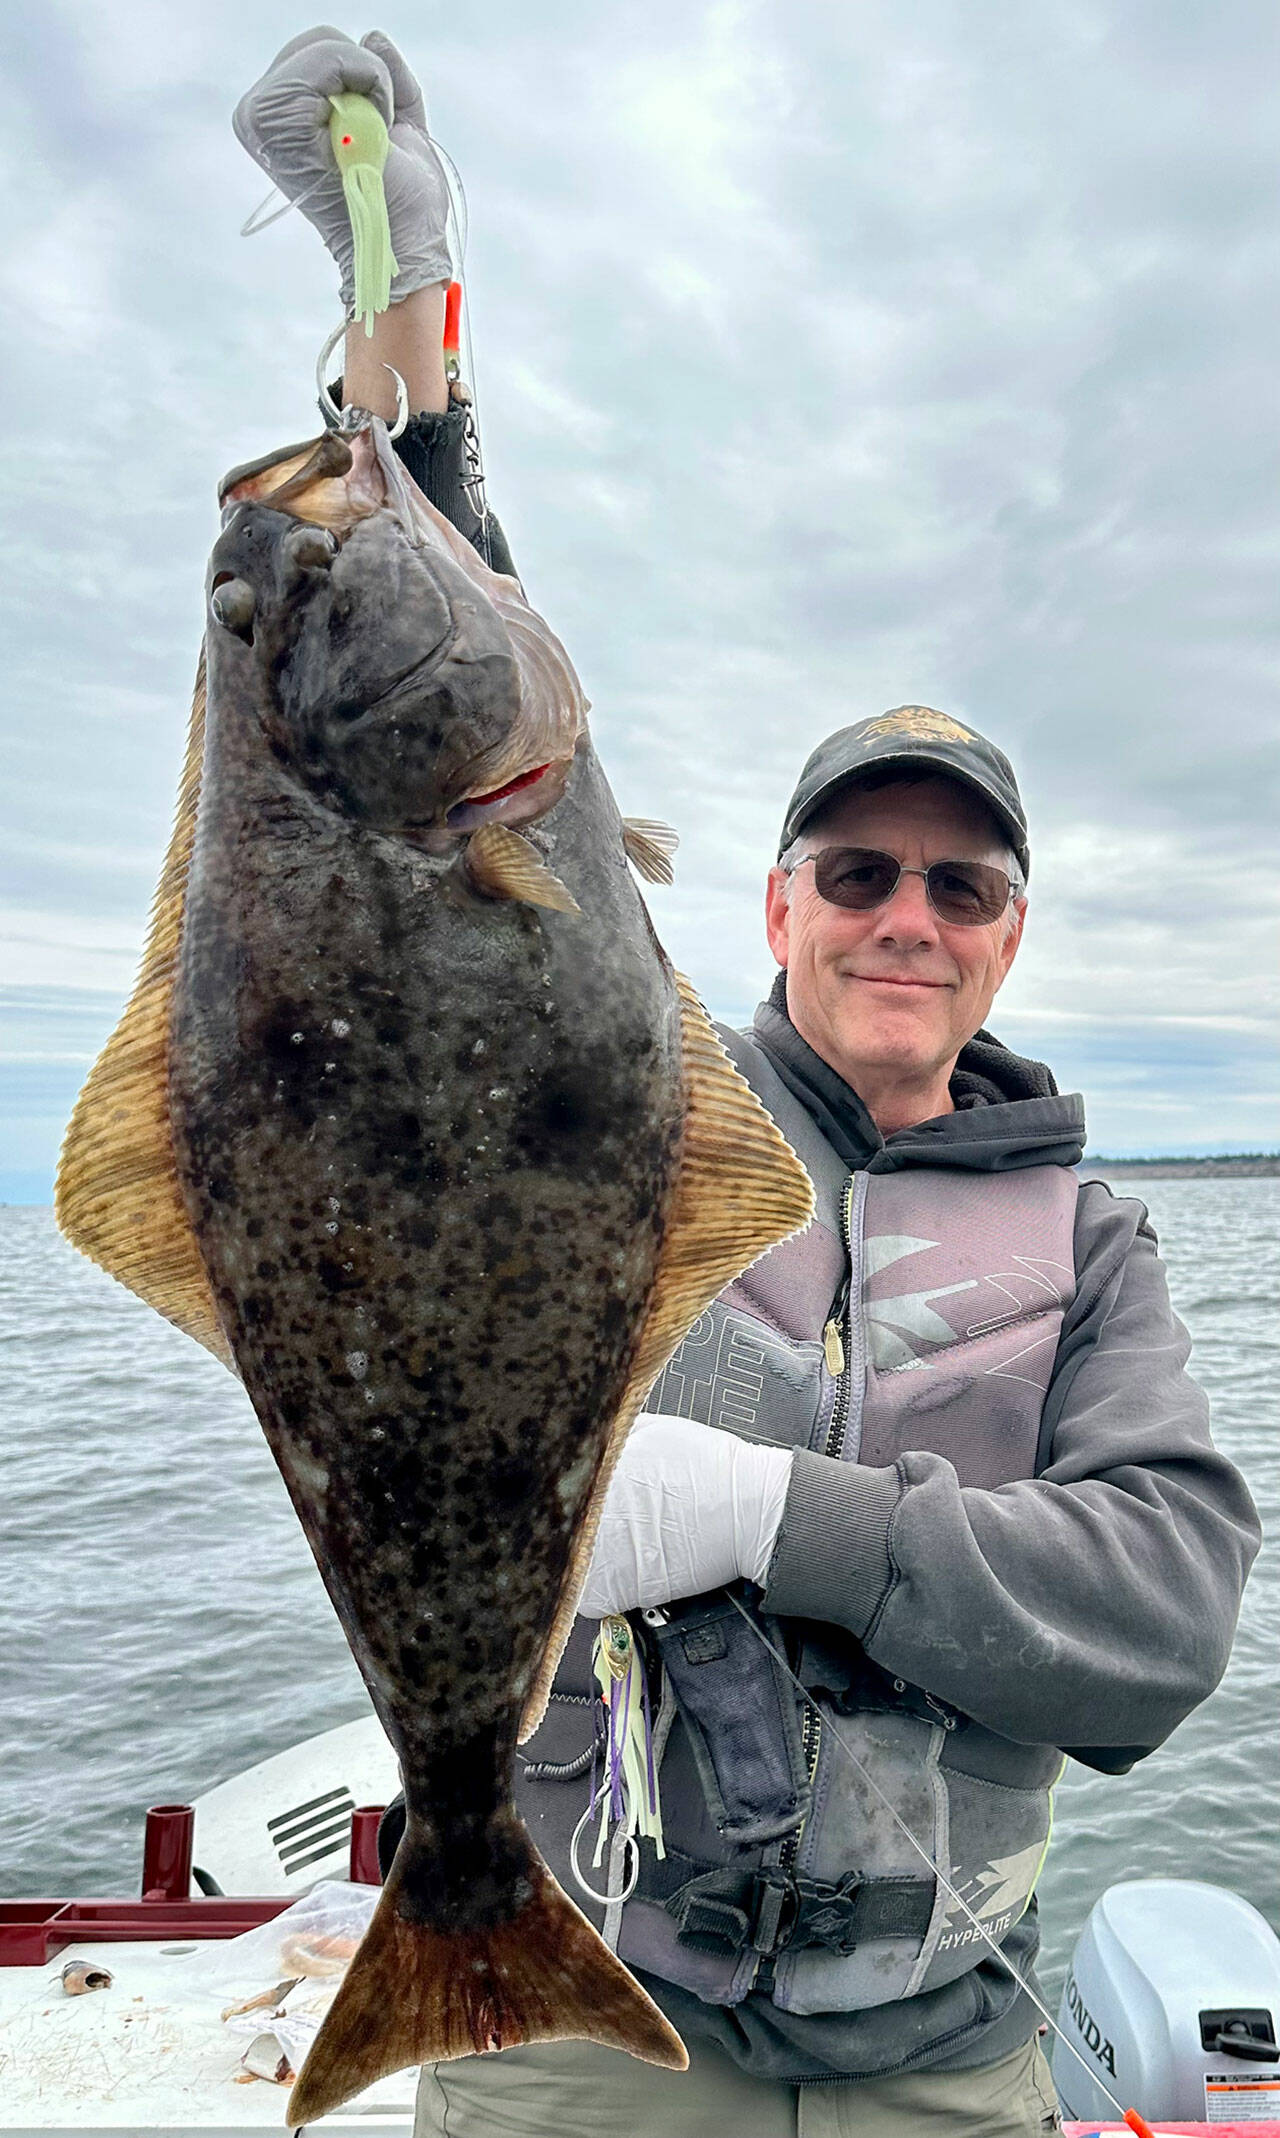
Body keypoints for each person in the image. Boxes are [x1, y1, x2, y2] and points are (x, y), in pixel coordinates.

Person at [234, 33, 1262, 2137]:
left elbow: (1159, 1624)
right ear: (776, 904)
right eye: (857, 872)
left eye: (960, 883)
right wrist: (405, 354)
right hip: (583, 2011)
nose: (908, 916)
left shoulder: (1091, 1246)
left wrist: (781, 1518)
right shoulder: (625, 1102)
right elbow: (446, 755)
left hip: (942, 2049)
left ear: (1010, 933)